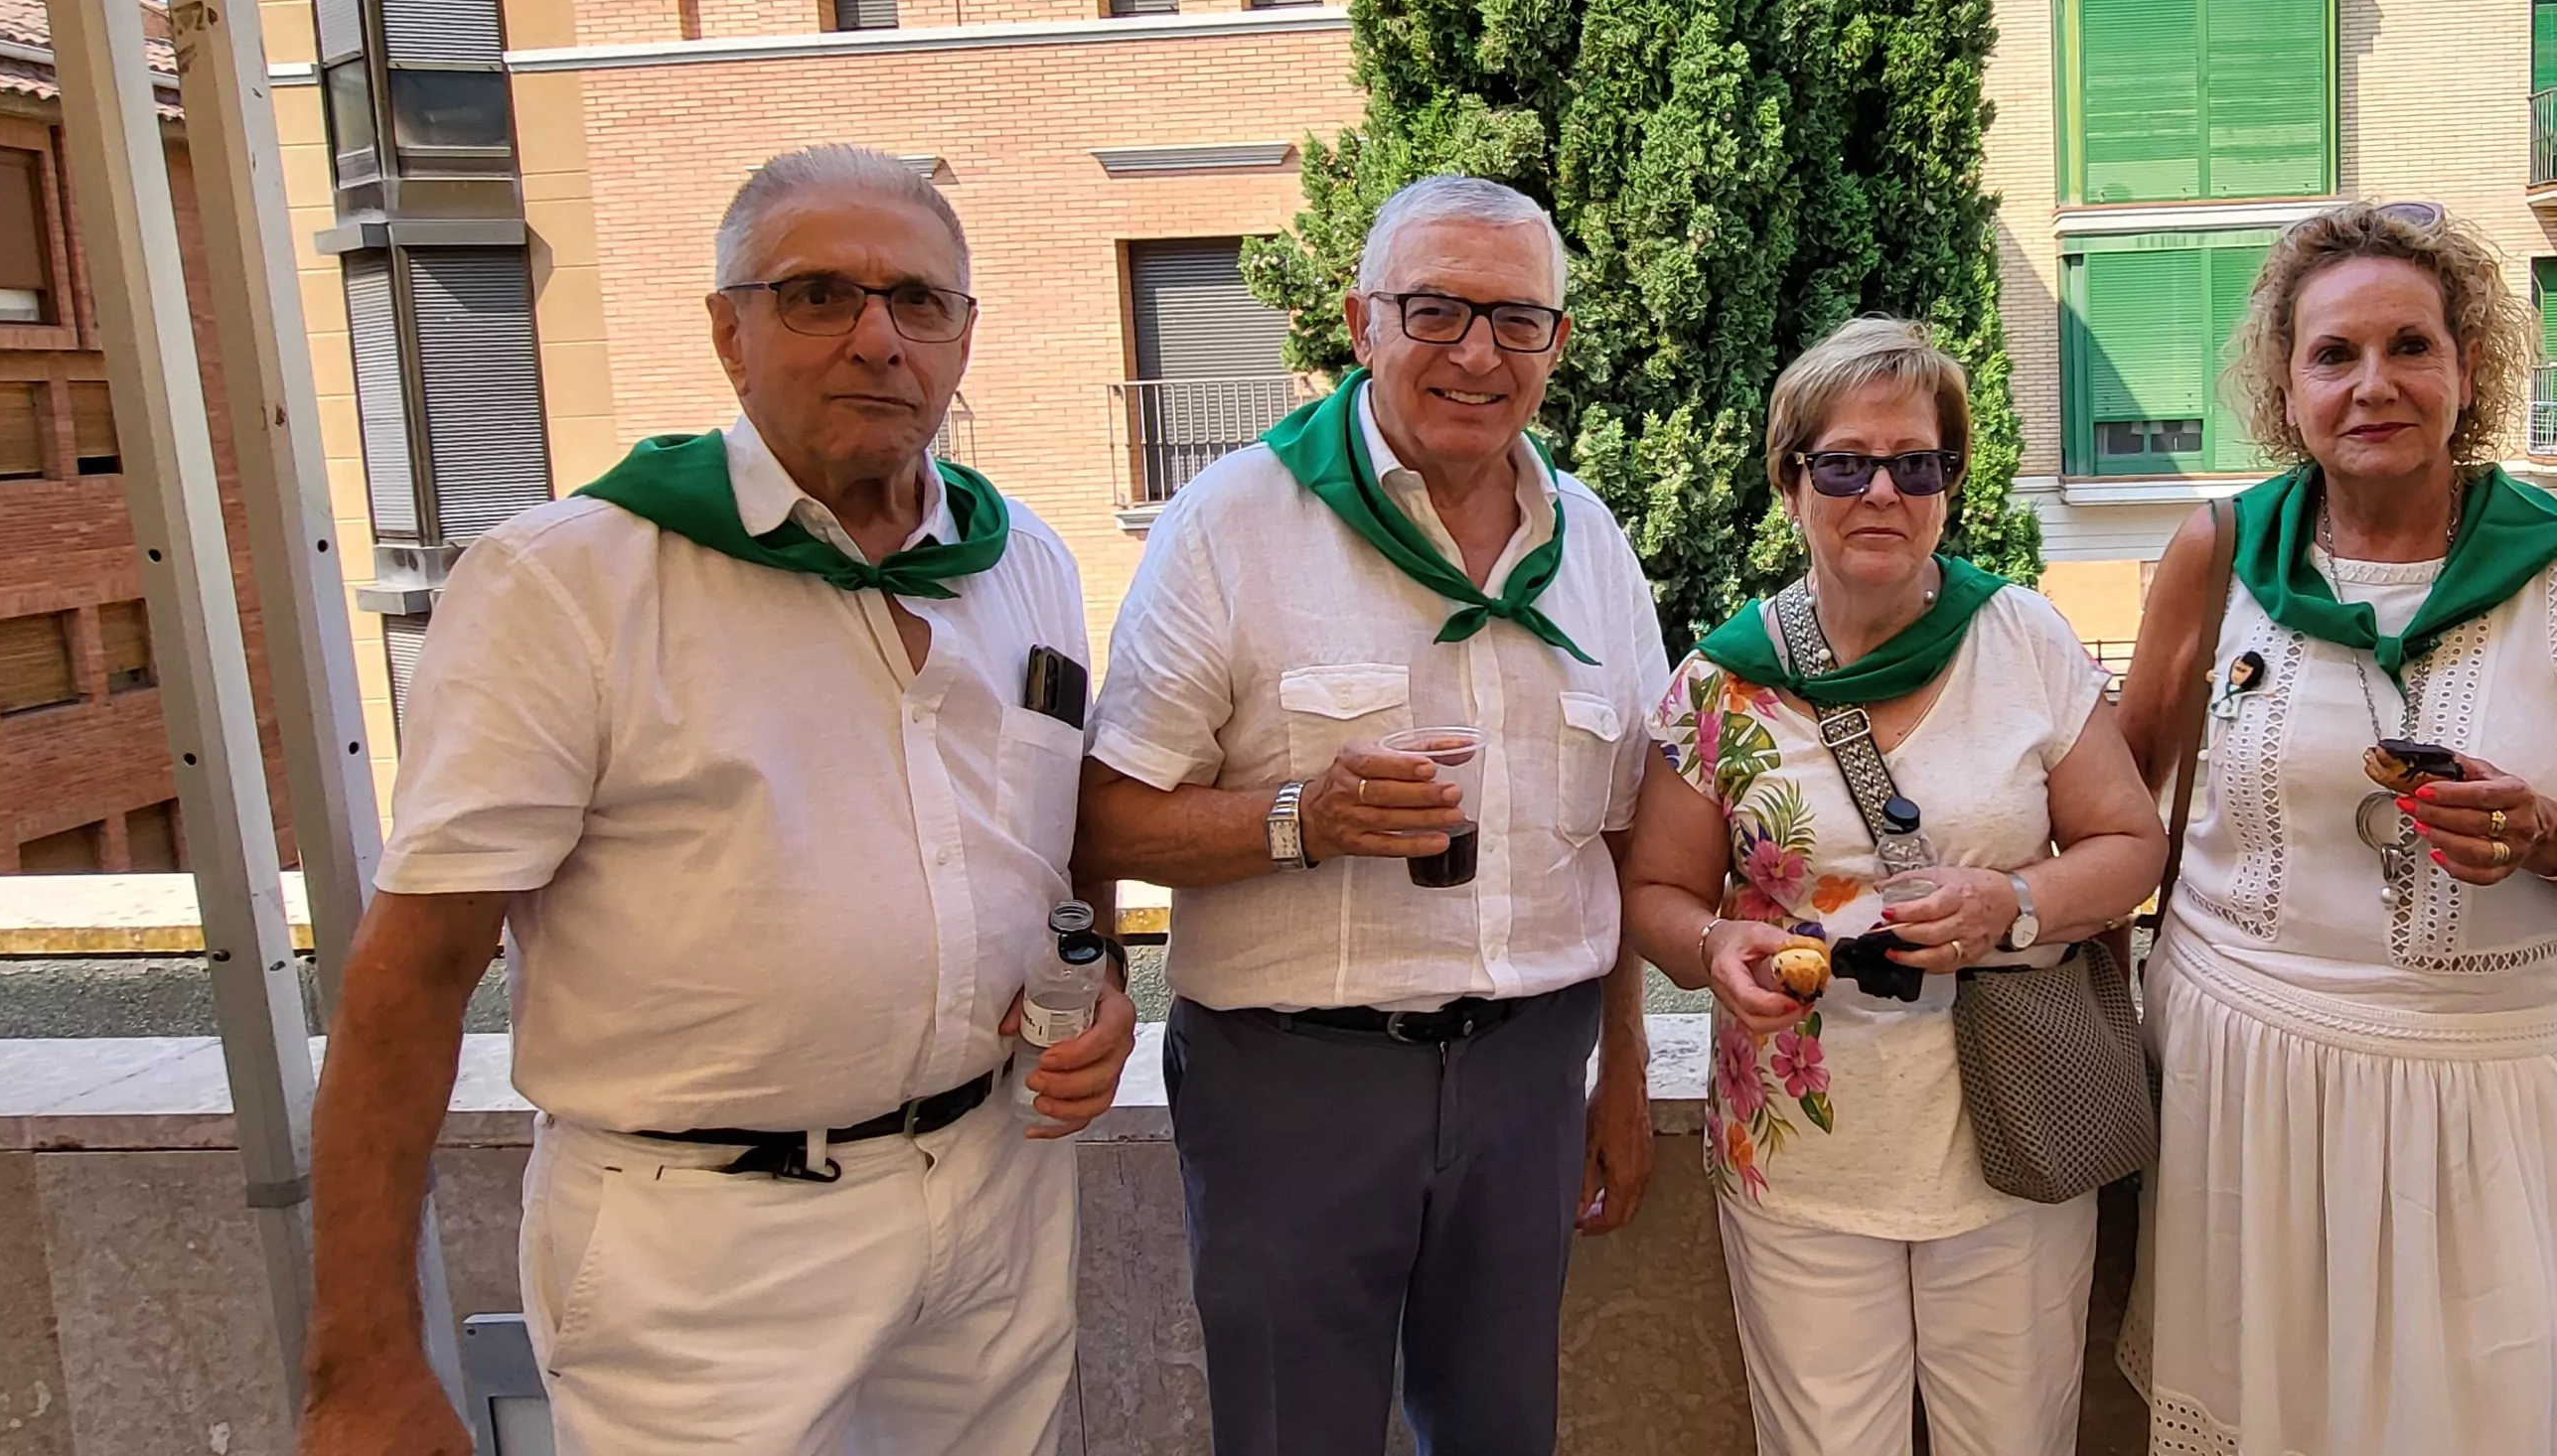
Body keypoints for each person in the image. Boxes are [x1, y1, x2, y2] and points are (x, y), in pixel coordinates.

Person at [297, 145, 1132, 1456]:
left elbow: (1053, 841)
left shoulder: (1022, 558)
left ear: (964, 334)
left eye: (918, 301)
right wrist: (361, 1365)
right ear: (726, 331)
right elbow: (406, 983)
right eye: (816, 296)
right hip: (706, 1248)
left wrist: (1099, 980)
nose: (876, 338)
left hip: (995, 1194)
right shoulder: (567, 584)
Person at [1077, 174, 1666, 1455]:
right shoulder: (1231, 525)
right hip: (1292, 1085)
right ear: (1360, 321)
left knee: (1503, 1434)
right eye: (1435, 310)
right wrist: (1299, 819)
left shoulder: (1595, 547)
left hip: (1525, 1075)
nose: (1476, 353)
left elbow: (1615, 841)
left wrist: (1615, 1069)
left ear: (1556, 345)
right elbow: (1103, 821)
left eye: (1517, 321)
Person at [2116, 201, 2557, 1456]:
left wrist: (2555, 837)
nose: (2371, 385)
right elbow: (2112, 808)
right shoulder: (2217, 552)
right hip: (2243, 1078)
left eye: (2409, 347)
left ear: (2466, 368)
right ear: (2286, 385)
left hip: (2478, 1096)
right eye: (2333, 354)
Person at [1619, 320, 2171, 1456]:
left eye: (1914, 463)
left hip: (2012, 1136)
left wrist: (2006, 906)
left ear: (1949, 482)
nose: (1881, 490)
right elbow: (1655, 890)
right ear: (1790, 482)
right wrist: (1714, 946)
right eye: (1844, 463)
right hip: (1803, 1151)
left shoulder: (2023, 640)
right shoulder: (1719, 682)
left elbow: (2128, 847)